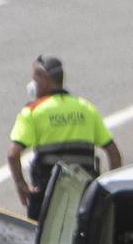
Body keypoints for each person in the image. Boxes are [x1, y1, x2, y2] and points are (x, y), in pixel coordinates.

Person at [7, 55, 122, 220]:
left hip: (47, 196)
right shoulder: (86, 108)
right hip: (84, 195)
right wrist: (110, 190)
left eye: (35, 79)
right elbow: (113, 153)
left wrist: (21, 185)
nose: (32, 85)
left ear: (45, 80)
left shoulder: (33, 111)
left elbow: (13, 154)